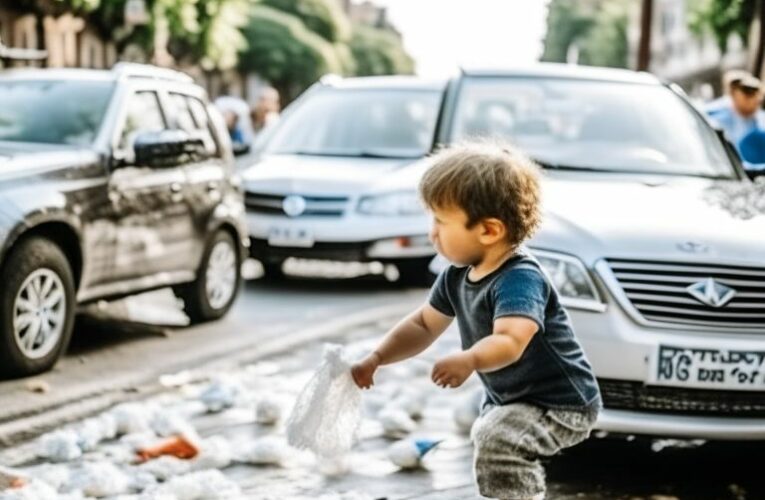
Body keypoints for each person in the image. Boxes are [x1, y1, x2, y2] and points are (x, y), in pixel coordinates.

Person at [350, 142, 601, 500]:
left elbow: (511, 341)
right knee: (490, 439)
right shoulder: (457, 275)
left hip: (561, 403)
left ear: (488, 230)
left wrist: (469, 359)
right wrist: (377, 357)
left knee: (497, 439)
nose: (431, 231)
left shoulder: (520, 278)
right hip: (512, 398)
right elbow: (423, 324)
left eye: (440, 220)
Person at [707, 73, 765, 150]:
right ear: (733, 94)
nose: (755, 97)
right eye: (747, 92)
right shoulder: (716, 119)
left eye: (756, 92)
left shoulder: (761, 119)